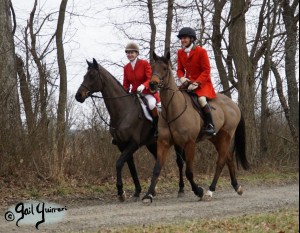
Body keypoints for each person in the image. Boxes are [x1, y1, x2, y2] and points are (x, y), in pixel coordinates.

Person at [176, 27, 217, 136]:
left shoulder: (201, 51)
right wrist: (181, 78)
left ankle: (210, 125)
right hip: (187, 84)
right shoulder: (180, 52)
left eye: (185, 38)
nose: (182, 40)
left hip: (203, 83)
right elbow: (180, 69)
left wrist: (196, 83)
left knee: (201, 100)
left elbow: (206, 70)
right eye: (181, 38)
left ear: (191, 39)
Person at [123, 42, 160, 135]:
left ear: (136, 53)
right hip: (135, 94)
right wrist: (123, 92)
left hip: (148, 93)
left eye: (132, 52)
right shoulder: (126, 67)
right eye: (128, 53)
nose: (130, 55)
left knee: (151, 105)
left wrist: (143, 86)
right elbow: (126, 84)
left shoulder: (144, 63)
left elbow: (150, 78)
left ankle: (157, 127)